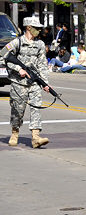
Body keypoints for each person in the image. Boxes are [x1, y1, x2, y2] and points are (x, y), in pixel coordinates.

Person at [1, 17, 51, 148]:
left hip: (33, 82)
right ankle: (15, 132)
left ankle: (36, 137)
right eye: (37, 28)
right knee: (17, 110)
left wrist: (45, 83)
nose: (39, 31)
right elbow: (3, 57)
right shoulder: (16, 42)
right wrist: (18, 69)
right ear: (29, 27)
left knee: (36, 108)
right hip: (19, 83)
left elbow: (42, 65)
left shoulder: (39, 44)